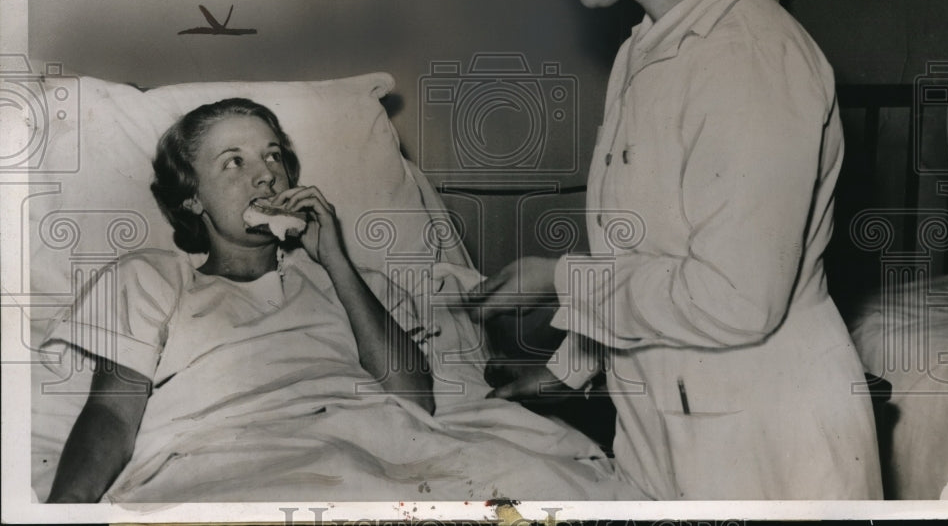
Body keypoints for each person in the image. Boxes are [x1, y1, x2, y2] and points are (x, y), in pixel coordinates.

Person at [471, 0, 883, 500]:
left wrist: (557, 277)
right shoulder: (649, 45)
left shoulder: (751, 57)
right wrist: (569, 366)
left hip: (766, 442)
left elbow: (733, 299)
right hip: (670, 427)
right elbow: (649, 259)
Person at [42, 98, 640, 503]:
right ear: (191, 199)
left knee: (548, 488)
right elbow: (114, 416)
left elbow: (415, 398)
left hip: (371, 449)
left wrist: (336, 262)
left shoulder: (351, 282)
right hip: (230, 459)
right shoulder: (153, 279)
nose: (266, 175)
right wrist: (65, 511)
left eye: (274, 155)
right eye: (235, 162)